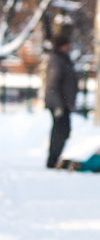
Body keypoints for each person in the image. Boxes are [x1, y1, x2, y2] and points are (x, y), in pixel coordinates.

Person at [44, 32, 77, 169]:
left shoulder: (64, 58)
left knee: (64, 131)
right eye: (67, 44)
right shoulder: (57, 60)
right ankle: (52, 160)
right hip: (59, 104)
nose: (69, 46)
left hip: (65, 103)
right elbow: (53, 83)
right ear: (62, 45)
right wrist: (58, 105)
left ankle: (54, 158)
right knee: (60, 131)